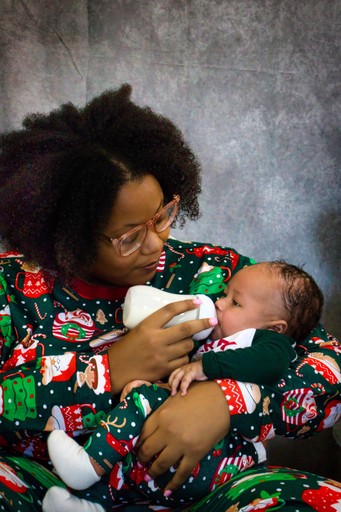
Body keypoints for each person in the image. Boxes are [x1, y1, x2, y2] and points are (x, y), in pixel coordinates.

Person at [0, 84, 339, 512]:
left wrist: (225, 402)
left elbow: (327, 364)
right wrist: (110, 370)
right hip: (49, 489)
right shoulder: (12, 287)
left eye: (162, 215)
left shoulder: (212, 271)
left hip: (205, 492)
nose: (157, 242)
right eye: (129, 237)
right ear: (65, 234)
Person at [46, 260, 324, 509]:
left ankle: (88, 464)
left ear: (275, 328)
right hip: (170, 462)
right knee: (130, 449)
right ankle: (90, 503)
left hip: (217, 460)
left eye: (235, 303)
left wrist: (205, 367)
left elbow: (273, 363)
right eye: (225, 294)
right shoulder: (217, 339)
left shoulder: (269, 343)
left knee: (143, 399)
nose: (220, 303)